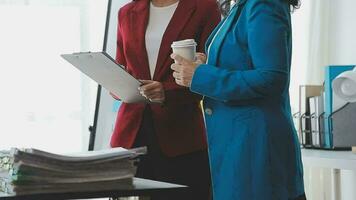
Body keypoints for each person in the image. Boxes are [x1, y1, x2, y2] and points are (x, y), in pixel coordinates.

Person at [170, 0, 306, 199]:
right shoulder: (242, 5)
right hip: (239, 145)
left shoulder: (264, 4)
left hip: (256, 146)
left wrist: (202, 76)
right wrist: (206, 65)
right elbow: (245, 62)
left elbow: (272, 77)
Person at [110, 0, 220, 199]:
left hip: (182, 136)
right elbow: (122, 67)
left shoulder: (205, 7)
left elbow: (211, 75)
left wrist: (167, 92)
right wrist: (114, 82)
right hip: (130, 135)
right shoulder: (126, 12)